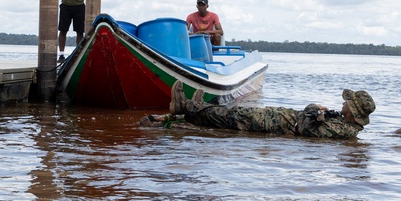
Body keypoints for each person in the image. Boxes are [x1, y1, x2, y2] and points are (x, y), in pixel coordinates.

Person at [160, 80, 375, 138]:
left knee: (231, 115)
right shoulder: (344, 123)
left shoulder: (344, 131)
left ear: (353, 110)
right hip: (278, 119)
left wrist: (314, 108)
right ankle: (198, 107)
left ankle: (185, 106)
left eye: (348, 102)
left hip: (275, 124)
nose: (343, 103)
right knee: (230, 114)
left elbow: (308, 129)